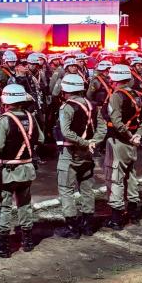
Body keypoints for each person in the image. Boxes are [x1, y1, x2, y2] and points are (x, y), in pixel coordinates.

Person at [0, 84, 44, 257]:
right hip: (26, 168)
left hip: (8, 171)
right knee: (24, 204)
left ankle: (3, 245)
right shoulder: (30, 117)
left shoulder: (5, 120)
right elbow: (40, 138)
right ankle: (27, 240)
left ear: (6, 101)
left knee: (4, 205)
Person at [55, 74, 106, 238]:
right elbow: (102, 128)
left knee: (66, 189)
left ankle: (72, 227)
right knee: (87, 188)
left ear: (66, 90)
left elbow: (66, 132)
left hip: (70, 153)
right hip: (87, 153)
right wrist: (93, 142)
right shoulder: (92, 105)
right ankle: (87, 225)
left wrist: (84, 142)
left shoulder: (67, 107)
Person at [103, 64, 142, 230]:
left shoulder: (116, 96)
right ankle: (134, 211)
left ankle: (116, 218)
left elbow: (116, 122)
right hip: (132, 141)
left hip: (119, 141)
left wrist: (129, 136)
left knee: (116, 177)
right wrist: (138, 136)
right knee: (131, 175)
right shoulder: (136, 94)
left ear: (114, 79)